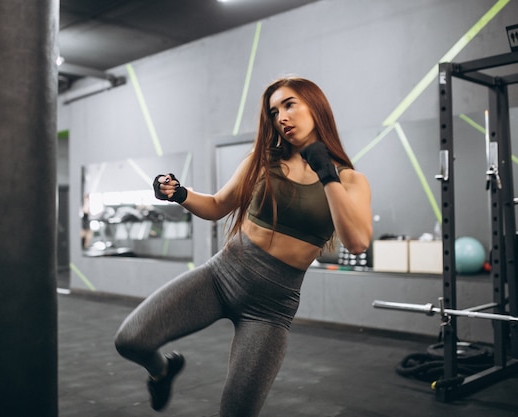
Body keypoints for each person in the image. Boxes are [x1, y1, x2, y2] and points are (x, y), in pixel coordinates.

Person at [114, 76, 373, 416]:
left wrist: (327, 173)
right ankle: (162, 371)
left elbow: (357, 242)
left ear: (316, 106)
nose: (281, 117)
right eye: (274, 111)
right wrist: (178, 192)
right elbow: (217, 205)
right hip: (221, 276)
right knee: (131, 340)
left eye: (289, 104)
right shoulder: (263, 160)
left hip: (271, 307)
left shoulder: (352, 181)